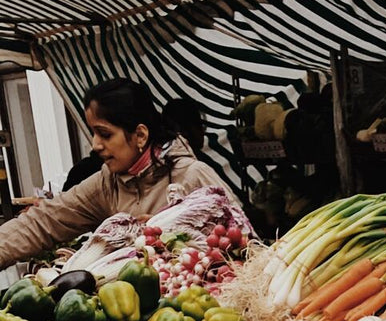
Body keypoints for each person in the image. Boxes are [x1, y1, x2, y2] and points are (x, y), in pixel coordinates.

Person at [0, 79, 238, 268]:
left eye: (104, 134)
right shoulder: (108, 183)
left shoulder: (193, 176)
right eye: (93, 133)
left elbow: (244, 245)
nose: (95, 144)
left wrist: (167, 238)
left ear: (140, 135)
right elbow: (44, 221)